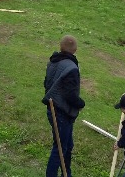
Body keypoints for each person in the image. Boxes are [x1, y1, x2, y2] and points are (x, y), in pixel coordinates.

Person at [42, 35, 85, 177]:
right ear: (75, 49)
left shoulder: (52, 63)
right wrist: (81, 103)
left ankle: (67, 174)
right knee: (59, 148)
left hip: (53, 108)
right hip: (61, 113)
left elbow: (46, 84)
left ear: (61, 47)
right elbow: (70, 95)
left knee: (67, 146)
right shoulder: (71, 68)